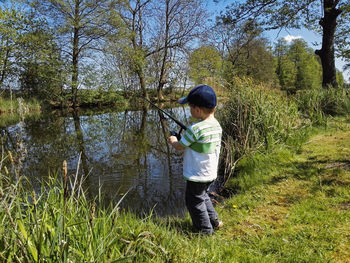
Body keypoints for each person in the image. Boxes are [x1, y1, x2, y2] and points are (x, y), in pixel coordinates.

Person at [168, 84, 223, 235]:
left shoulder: (195, 129)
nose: (189, 110)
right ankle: (215, 222)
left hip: (197, 174)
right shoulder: (217, 125)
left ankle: (205, 231)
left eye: (190, 107)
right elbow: (199, 142)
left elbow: (180, 146)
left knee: (194, 201)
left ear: (197, 110)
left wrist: (173, 139)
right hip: (210, 173)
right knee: (203, 196)